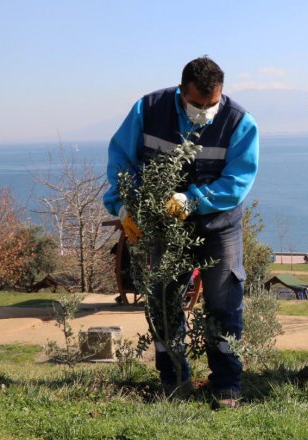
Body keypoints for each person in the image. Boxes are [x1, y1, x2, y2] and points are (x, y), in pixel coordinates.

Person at [103, 56, 259, 408]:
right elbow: (121, 160)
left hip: (219, 225)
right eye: (196, 104)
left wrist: (192, 200)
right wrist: (124, 205)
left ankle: (227, 385)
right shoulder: (148, 109)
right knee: (162, 300)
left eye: (212, 104)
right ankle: (174, 379)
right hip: (164, 226)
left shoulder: (240, 123)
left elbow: (237, 181)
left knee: (224, 302)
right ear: (181, 92)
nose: (204, 111)